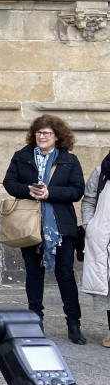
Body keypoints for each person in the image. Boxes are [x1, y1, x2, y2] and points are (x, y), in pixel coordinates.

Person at [3, 114, 86, 344]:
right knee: (34, 274)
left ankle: (74, 323)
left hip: (61, 226)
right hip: (30, 225)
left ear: (57, 136)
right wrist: (29, 190)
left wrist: (50, 193)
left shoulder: (69, 160)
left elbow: (77, 191)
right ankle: (34, 320)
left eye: (47, 133)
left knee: (66, 274)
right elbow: (9, 183)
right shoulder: (22, 156)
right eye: (39, 132)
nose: (42, 136)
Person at [82, 147, 110, 347]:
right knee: (108, 286)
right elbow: (89, 199)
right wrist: (89, 225)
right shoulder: (102, 171)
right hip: (104, 237)